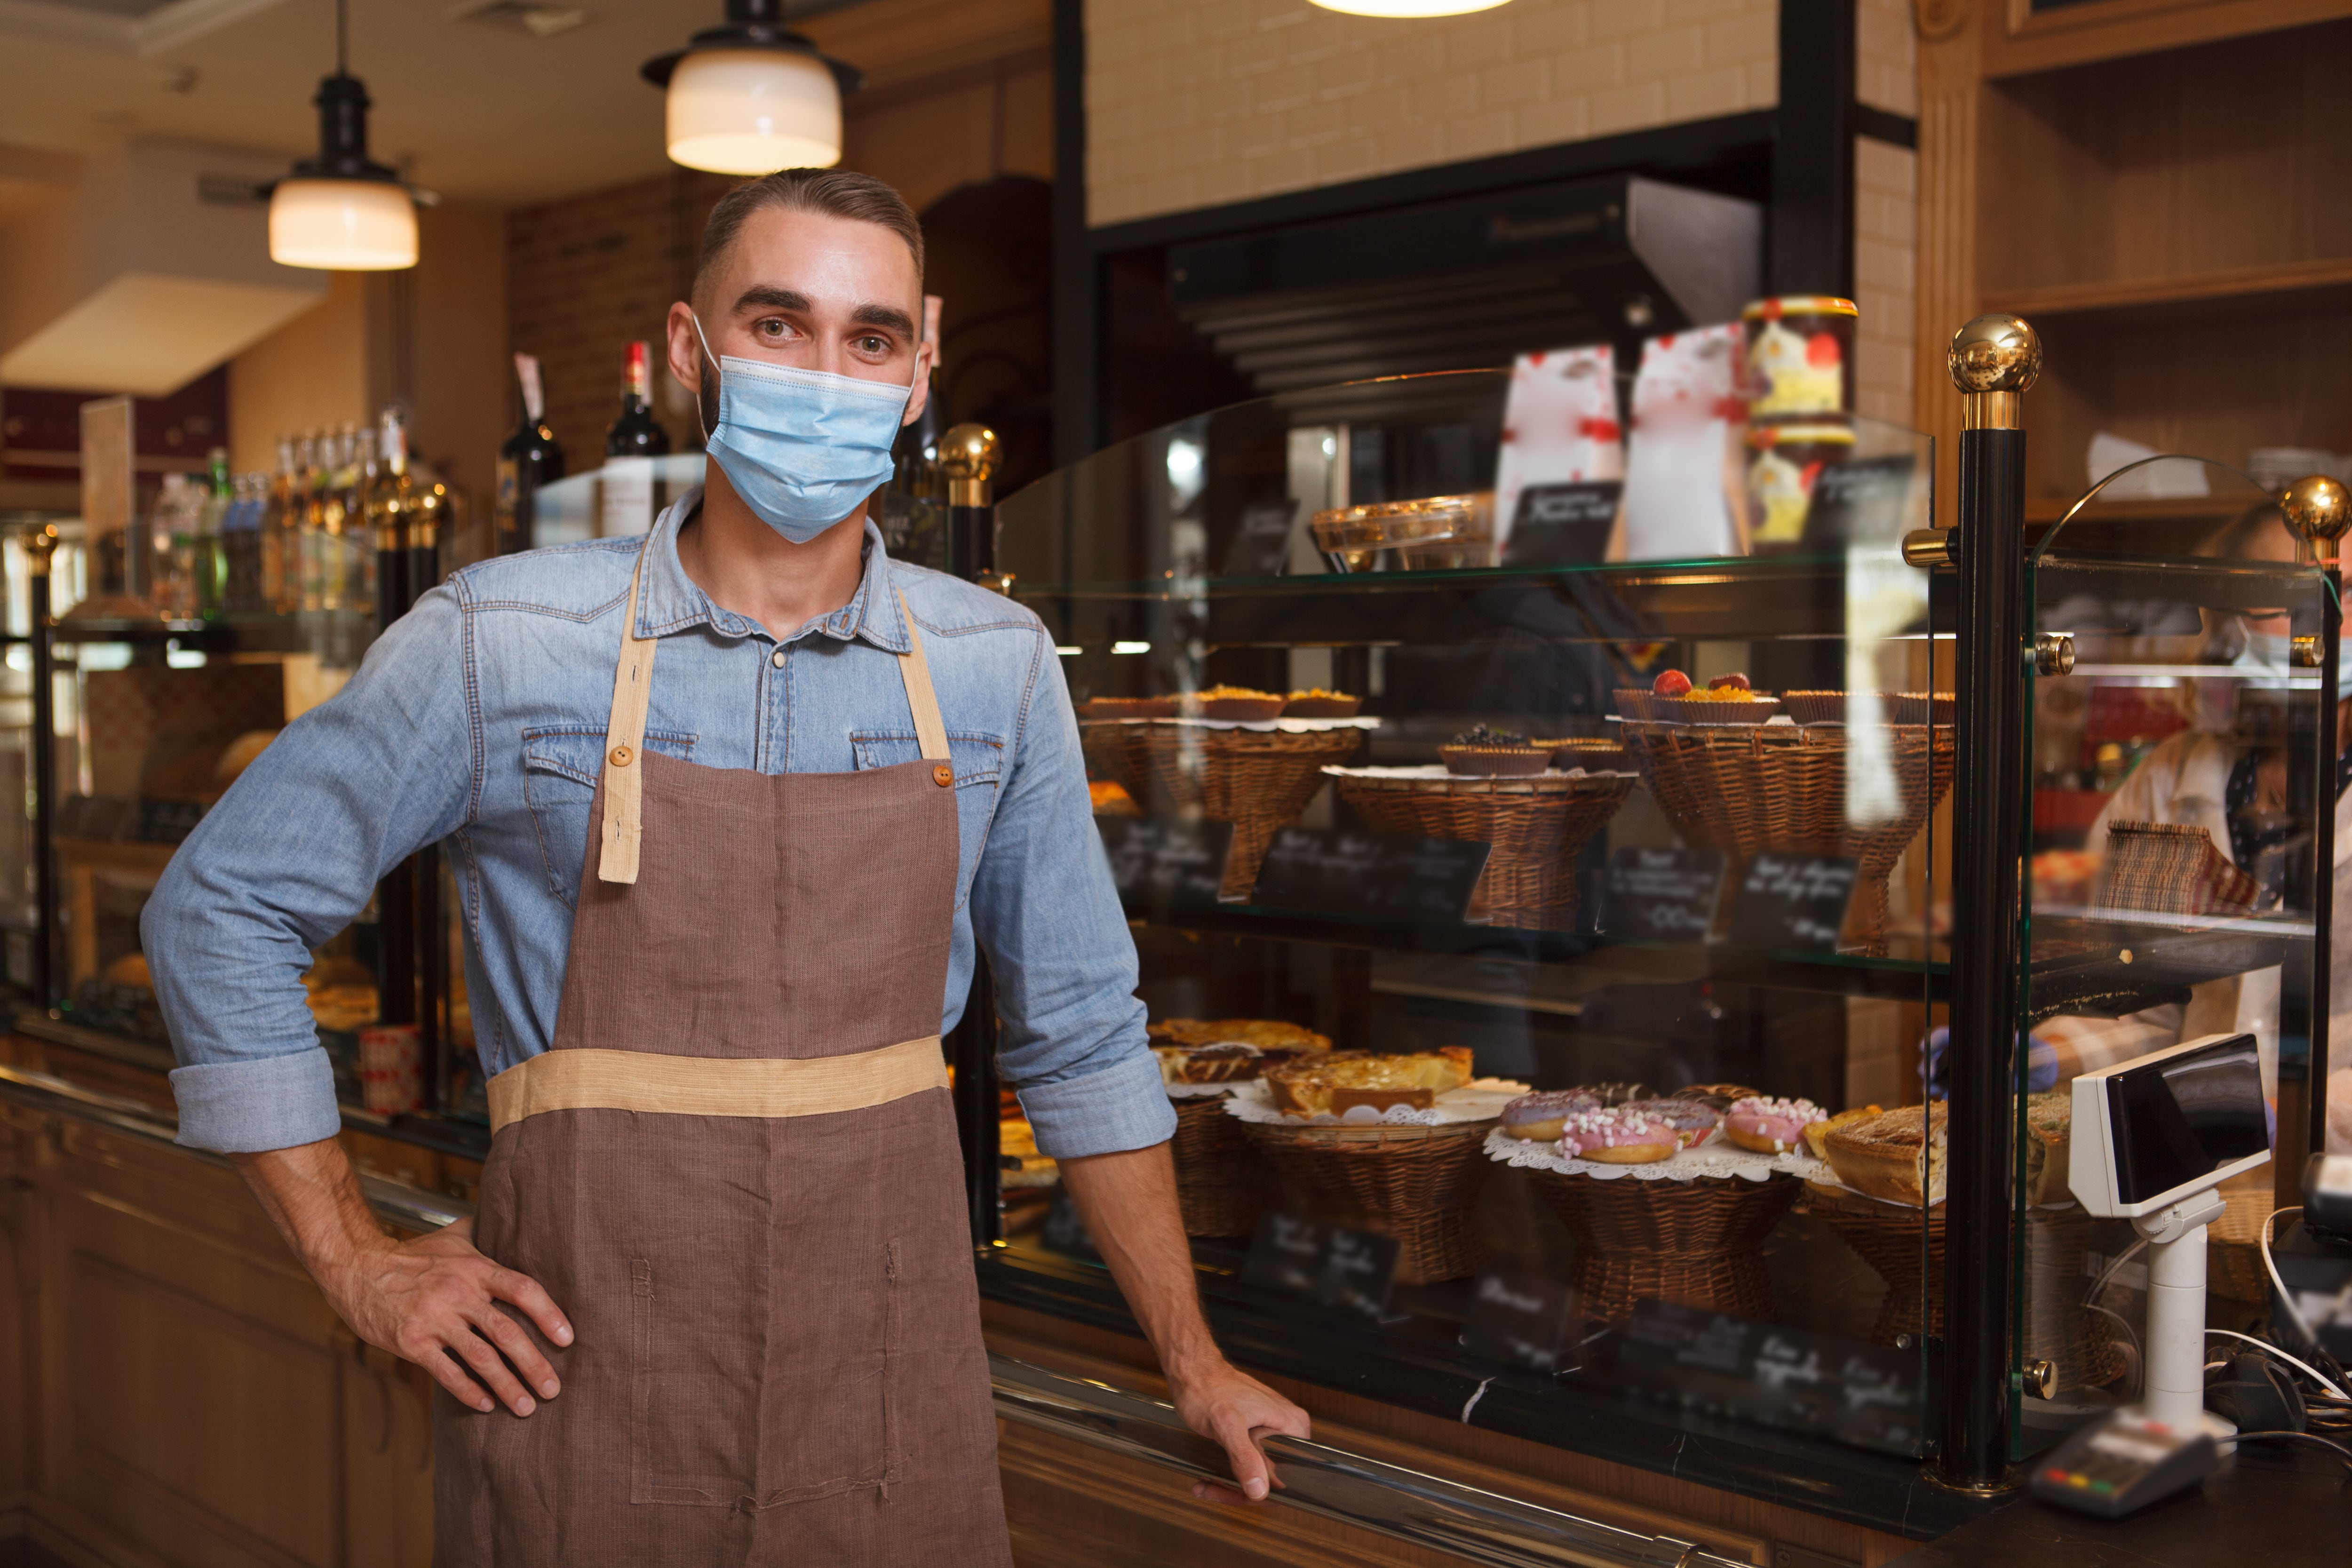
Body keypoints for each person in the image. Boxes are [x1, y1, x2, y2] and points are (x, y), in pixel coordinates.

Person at [142, 168, 1307, 1566]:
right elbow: (221, 910)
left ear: (922, 367)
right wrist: (356, 1263)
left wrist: (1192, 1359)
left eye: (870, 339)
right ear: (694, 352)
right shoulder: (498, 642)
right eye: (779, 325)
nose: (828, 373)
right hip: (577, 1387)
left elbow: (1082, 1037)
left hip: (890, 1386)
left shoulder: (992, 666)